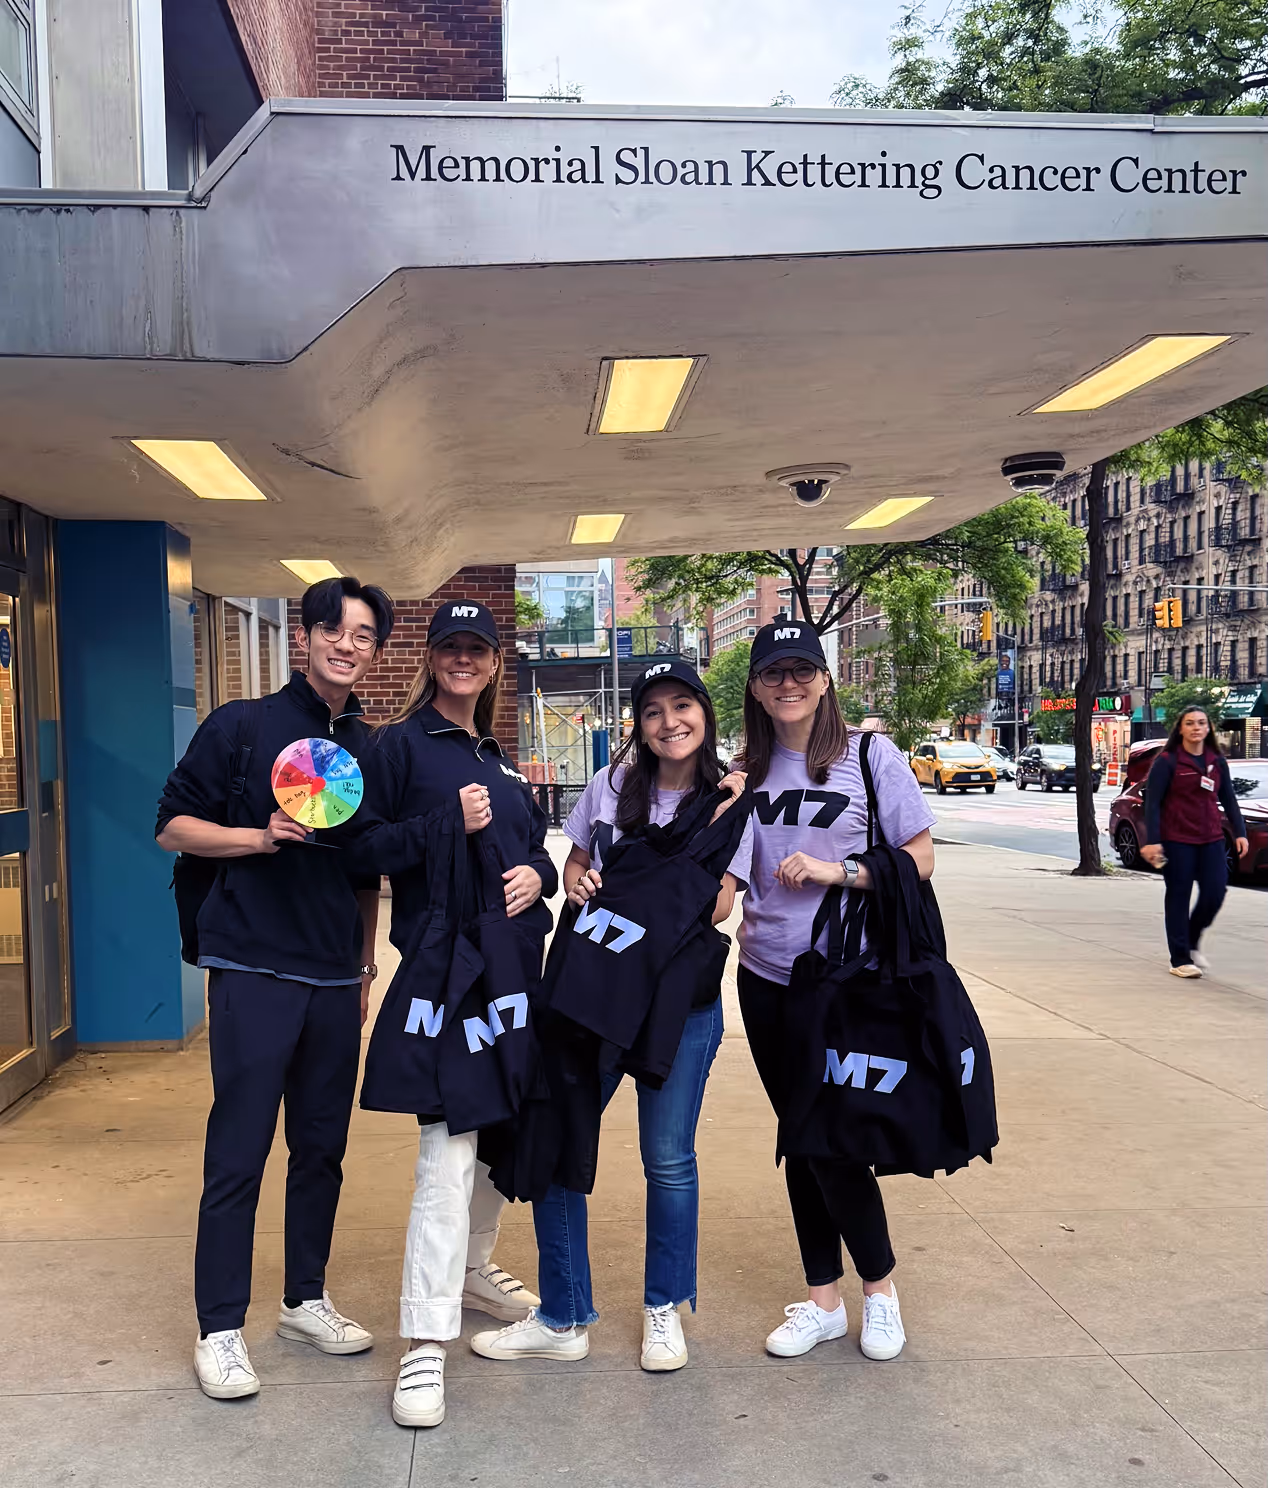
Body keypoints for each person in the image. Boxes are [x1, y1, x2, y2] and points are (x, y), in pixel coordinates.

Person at [469, 658, 750, 1373]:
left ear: (704, 713)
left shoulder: (734, 800)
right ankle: (564, 1313)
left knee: (669, 1161)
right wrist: (585, 879)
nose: (669, 723)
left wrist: (658, 873)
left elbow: (718, 903)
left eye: (682, 706)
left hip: (677, 1009)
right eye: (653, 711)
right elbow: (575, 868)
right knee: (559, 1141)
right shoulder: (612, 784)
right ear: (638, 723)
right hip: (592, 997)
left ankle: (664, 1309)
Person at [155, 576, 395, 1400]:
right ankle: (219, 1327)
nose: (345, 645)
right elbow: (171, 826)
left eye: (363, 636)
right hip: (255, 966)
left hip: (334, 975)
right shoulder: (243, 727)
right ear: (304, 638)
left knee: (321, 1149)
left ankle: (305, 1298)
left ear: (374, 652)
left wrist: (365, 967)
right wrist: (259, 836)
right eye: (333, 629)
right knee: (240, 1150)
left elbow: (366, 871)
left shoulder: (366, 746)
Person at [350, 600, 556, 1430]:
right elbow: (360, 850)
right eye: (450, 649)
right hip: (444, 977)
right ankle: (425, 1343)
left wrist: (539, 873)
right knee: (448, 1149)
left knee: (498, 1132)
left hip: (513, 974)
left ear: (494, 661)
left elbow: (536, 844)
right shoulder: (398, 747)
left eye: (477, 648)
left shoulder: (501, 759)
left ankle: (472, 1270)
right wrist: (444, 823)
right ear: (431, 660)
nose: (463, 660)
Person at [734, 621, 938, 1363]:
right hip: (765, 977)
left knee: (837, 1139)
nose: (787, 684)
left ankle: (879, 1292)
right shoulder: (745, 773)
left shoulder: (868, 756)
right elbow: (726, 873)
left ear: (825, 680)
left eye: (801, 671)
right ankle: (822, 1300)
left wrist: (837, 872)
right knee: (801, 1137)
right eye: (772, 674)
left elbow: (919, 859)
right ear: (756, 689)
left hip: (848, 984)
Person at [1140, 706, 1248, 978]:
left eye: (1201, 723)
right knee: (1178, 896)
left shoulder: (1216, 760)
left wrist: (1241, 832)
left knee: (1215, 891)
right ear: (1181, 729)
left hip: (1211, 838)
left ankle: (1191, 938)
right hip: (1176, 840)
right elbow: (1152, 804)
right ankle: (1180, 959)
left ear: (1208, 728)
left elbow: (1229, 799)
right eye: (1190, 723)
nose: (1196, 728)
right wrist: (1152, 841)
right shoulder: (1168, 761)